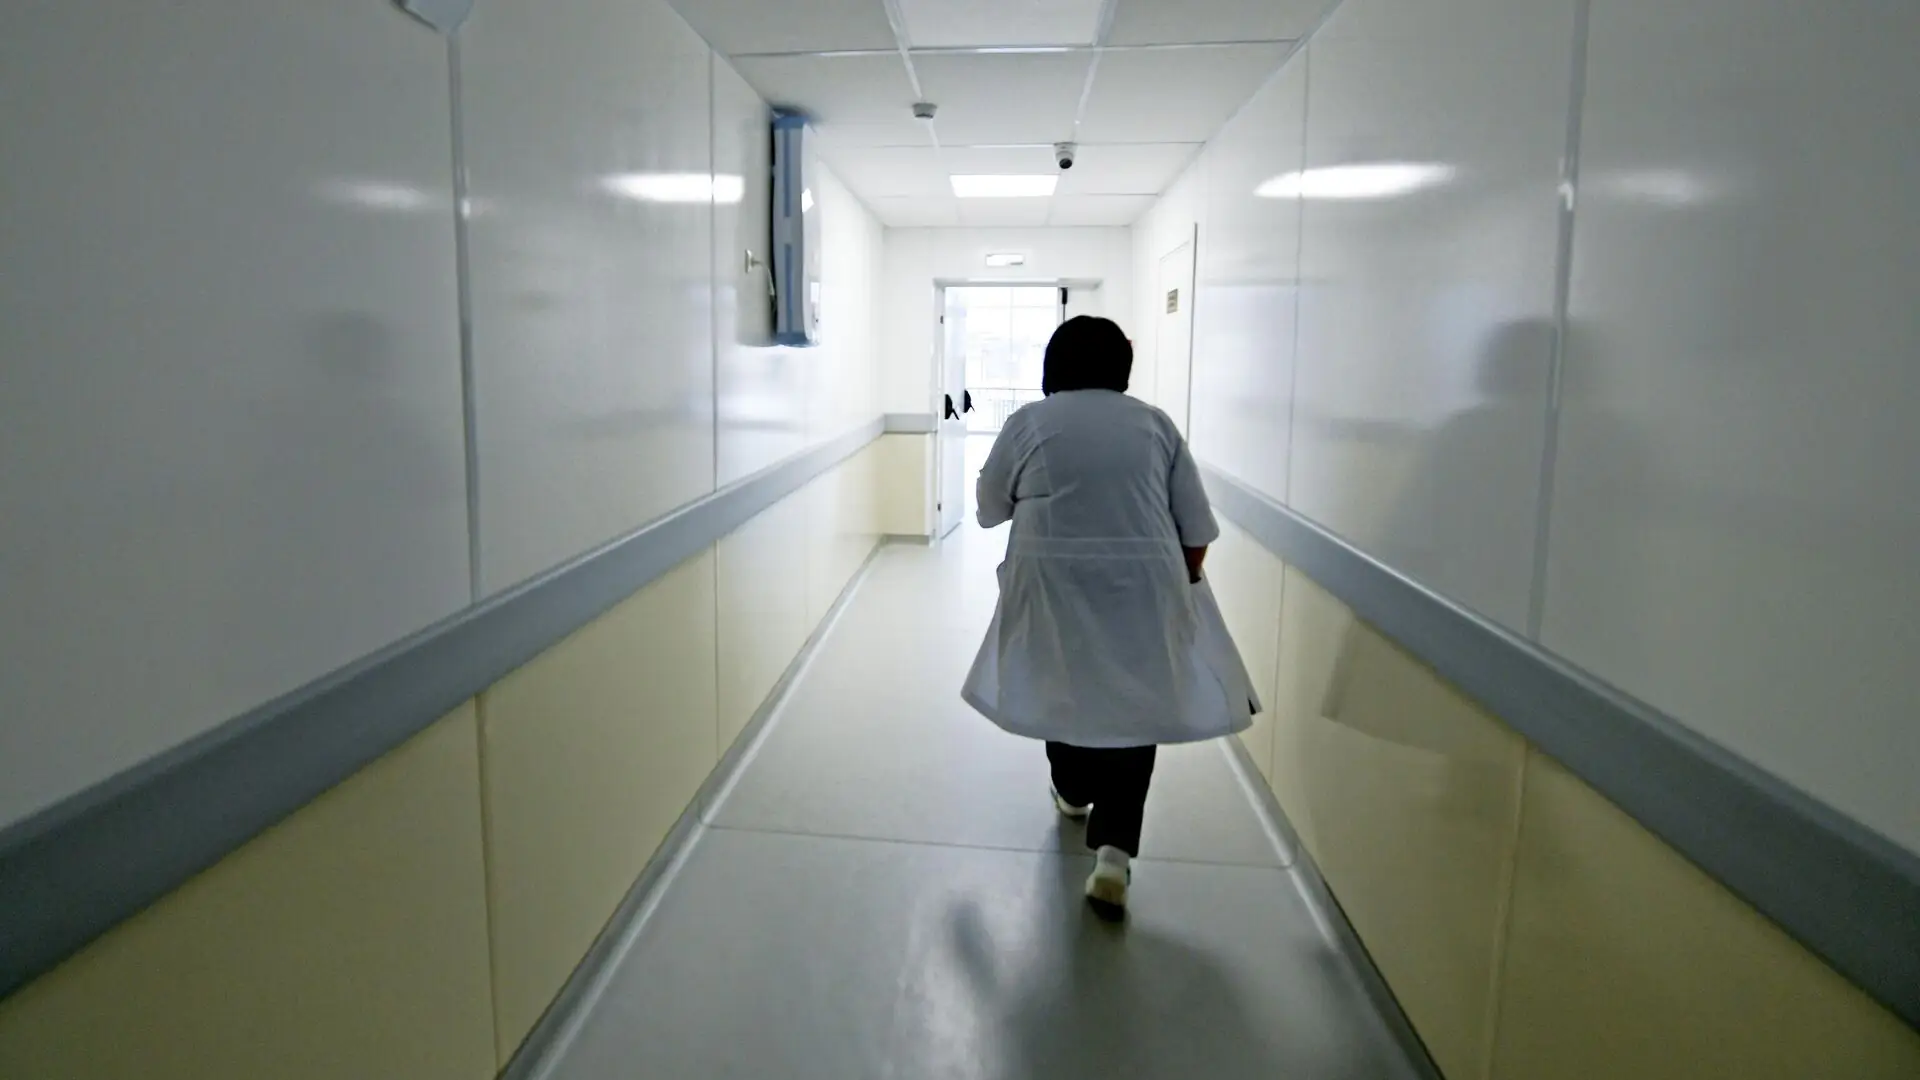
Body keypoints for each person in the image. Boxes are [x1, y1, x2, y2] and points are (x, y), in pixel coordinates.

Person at [962, 316, 1258, 920]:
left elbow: (990, 509)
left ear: (1054, 364)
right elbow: (1196, 532)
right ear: (1122, 366)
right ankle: (1114, 858)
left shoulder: (1030, 422)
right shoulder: (1154, 425)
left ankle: (1072, 791)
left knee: (1060, 684)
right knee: (1135, 706)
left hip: (1053, 587)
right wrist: (1179, 584)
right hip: (1144, 588)